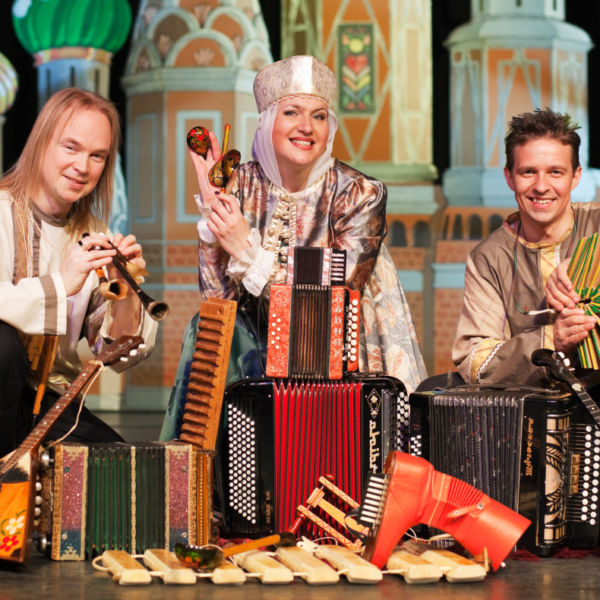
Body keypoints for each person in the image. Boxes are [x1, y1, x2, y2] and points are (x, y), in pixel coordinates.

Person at [160, 55, 426, 440]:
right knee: (206, 327)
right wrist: (214, 211)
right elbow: (219, 304)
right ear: (267, 120)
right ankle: (201, 465)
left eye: (319, 116)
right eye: (291, 112)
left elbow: (331, 305)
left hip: (339, 357)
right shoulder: (242, 185)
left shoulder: (358, 193)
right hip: (255, 352)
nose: (306, 127)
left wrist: (247, 251)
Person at [0, 87, 158, 457]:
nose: (83, 166)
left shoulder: (92, 233)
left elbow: (116, 354)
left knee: (122, 469)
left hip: (49, 403)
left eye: (97, 155)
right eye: (70, 147)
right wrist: (61, 284)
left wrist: (124, 292)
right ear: (41, 143)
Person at [452, 107, 598, 386]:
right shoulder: (490, 258)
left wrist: (584, 262)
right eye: (528, 172)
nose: (541, 186)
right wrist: (550, 340)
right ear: (509, 177)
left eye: (555, 172)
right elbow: (474, 361)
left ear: (575, 176)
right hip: (536, 405)